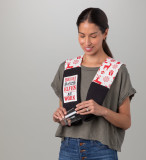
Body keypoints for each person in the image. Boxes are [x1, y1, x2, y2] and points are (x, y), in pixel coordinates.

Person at [51, 7, 137, 160]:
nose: (87, 42)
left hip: (102, 151)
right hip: (68, 149)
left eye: (93, 36)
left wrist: (101, 110)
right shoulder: (67, 68)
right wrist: (59, 116)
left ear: (105, 33)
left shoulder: (116, 71)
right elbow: (64, 114)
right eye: (82, 36)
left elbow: (126, 122)